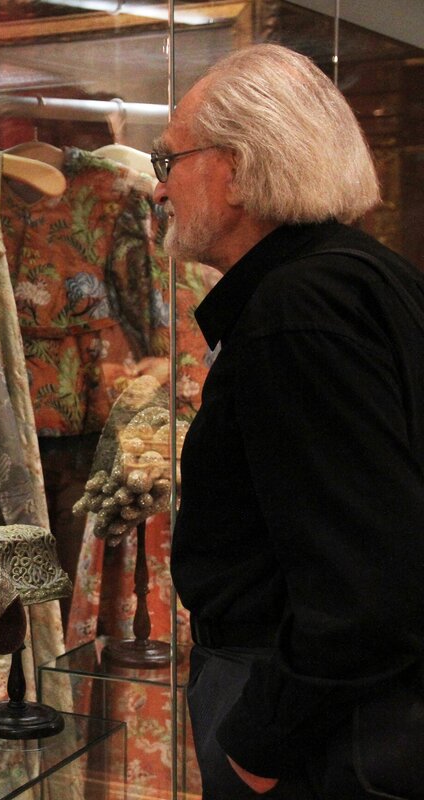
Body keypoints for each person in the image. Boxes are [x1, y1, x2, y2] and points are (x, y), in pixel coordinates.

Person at [154, 43, 424, 798]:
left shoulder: (298, 310)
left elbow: (367, 582)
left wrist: (260, 741)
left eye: (169, 159)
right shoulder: (363, 276)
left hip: (321, 727)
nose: (159, 187)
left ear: (238, 171)